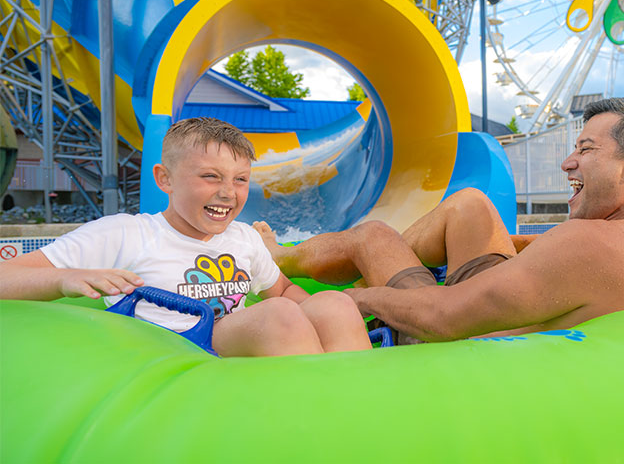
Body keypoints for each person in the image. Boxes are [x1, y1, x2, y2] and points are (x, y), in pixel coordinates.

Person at [254, 97, 624, 343]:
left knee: (373, 237)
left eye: (586, 150)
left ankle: (280, 259)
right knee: (471, 205)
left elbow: (443, 320)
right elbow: (566, 274)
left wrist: (360, 298)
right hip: (504, 313)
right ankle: (376, 267)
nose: (568, 163)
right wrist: (518, 244)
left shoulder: (592, 242)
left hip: (454, 344)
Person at [0, 117, 370, 356]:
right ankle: (311, 419)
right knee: (280, 317)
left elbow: (285, 291)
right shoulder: (125, 233)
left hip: (228, 336)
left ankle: (361, 406)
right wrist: (66, 277)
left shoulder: (243, 238)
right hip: (173, 350)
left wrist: (318, 319)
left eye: (240, 179)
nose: (229, 192)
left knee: (334, 306)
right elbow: (7, 275)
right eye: (210, 176)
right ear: (165, 179)